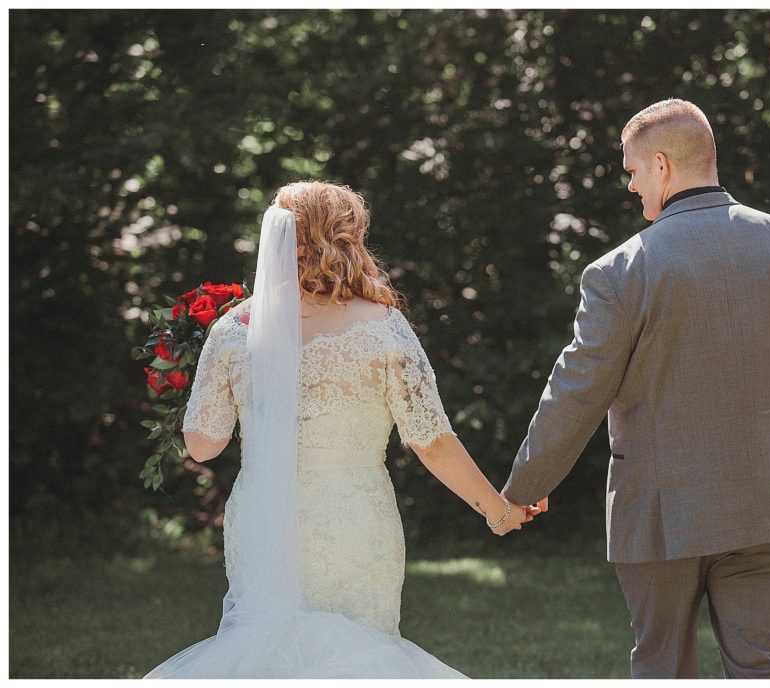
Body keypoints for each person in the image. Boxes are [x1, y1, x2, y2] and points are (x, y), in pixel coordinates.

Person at [502, 99, 770, 679]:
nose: (633, 185)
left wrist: (526, 487)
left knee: (664, 669)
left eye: (633, 171)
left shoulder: (618, 272)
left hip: (660, 511)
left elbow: (576, 390)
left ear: (662, 166)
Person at [145, 181, 540, 679]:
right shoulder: (383, 327)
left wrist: (205, 371)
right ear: (347, 238)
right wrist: (497, 511)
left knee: (268, 653)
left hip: (265, 520)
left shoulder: (233, 331)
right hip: (355, 518)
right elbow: (433, 442)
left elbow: (203, 446)